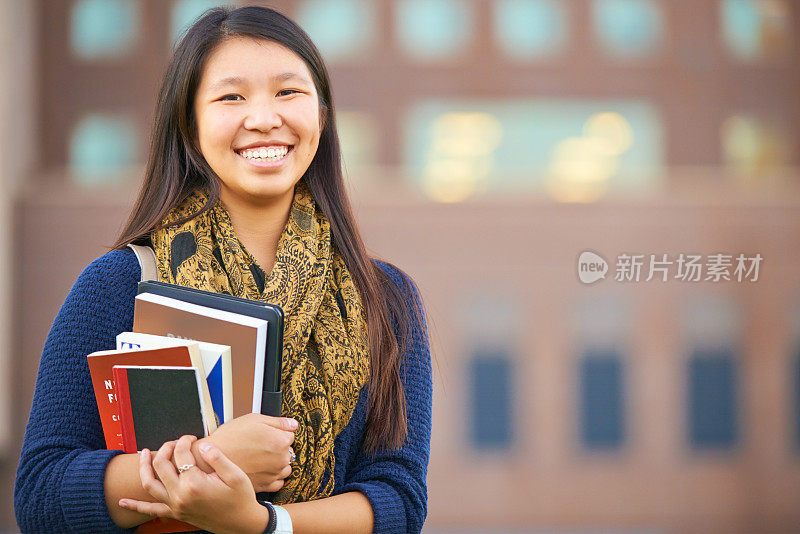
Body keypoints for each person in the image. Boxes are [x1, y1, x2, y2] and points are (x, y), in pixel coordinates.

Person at [14, 6, 431, 534]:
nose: (262, 118)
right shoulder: (120, 284)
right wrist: (210, 457)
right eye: (231, 97)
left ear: (322, 116)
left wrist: (260, 523)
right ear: (189, 125)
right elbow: (41, 494)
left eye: (288, 92)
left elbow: (399, 502)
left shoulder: (386, 299)